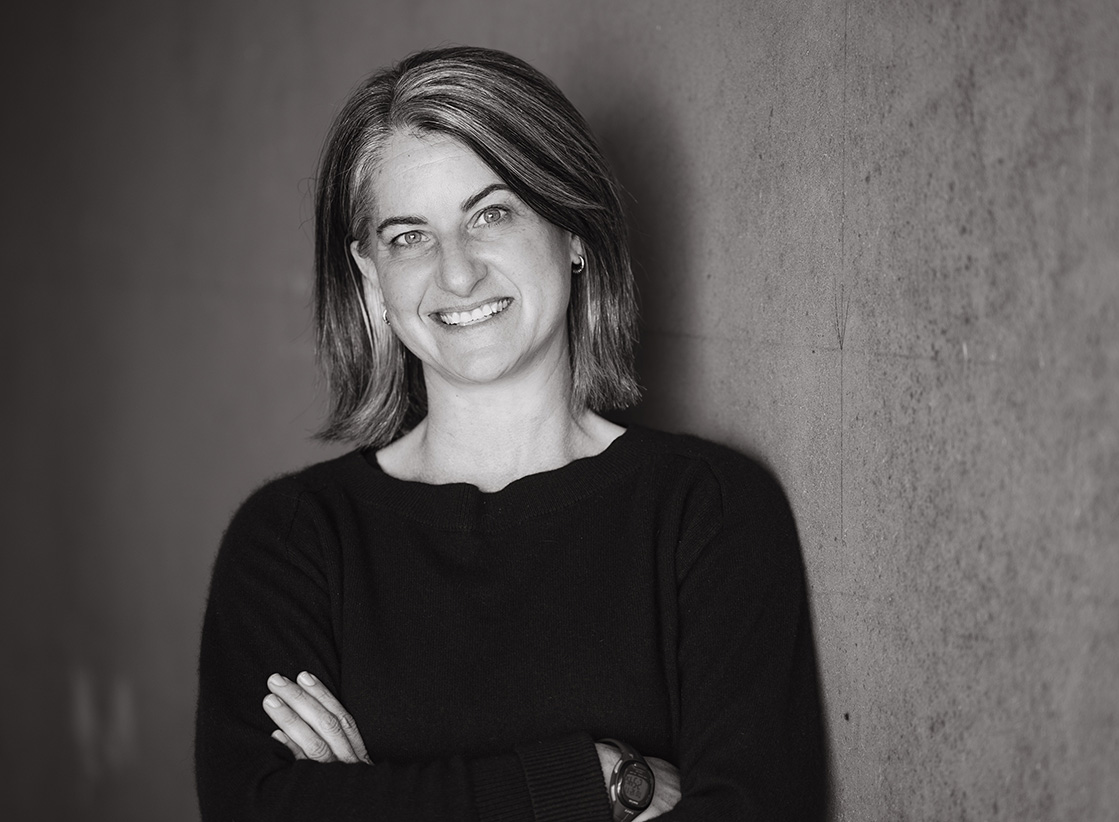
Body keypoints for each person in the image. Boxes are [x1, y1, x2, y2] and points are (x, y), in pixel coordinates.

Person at [195, 45, 826, 821]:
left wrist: (371, 798)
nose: (456, 275)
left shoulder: (708, 514)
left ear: (576, 232)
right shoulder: (293, 545)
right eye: (407, 237)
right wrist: (595, 783)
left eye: (491, 214)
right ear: (370, 278)